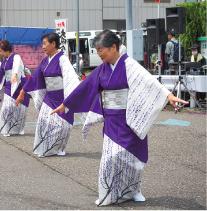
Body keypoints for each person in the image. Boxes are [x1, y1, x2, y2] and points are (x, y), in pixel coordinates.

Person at [51, 29, 188, 206]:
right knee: (109, 159)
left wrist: (168, 96)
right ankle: (108, 193)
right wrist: (66, 104)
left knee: (133, 160)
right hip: (111, 121)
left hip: (130, 119)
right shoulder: (101, 70)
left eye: (101, 49)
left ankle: (135, 191)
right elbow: (84, 87)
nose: (99, 54)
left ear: (114, 47)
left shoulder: (129, 65)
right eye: (97, 50)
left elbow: (148, 81)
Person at [15, 33, 81, 158]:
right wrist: (22, 93)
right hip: (49, 97)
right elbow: (34, 78)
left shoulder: (63, 60)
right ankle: (45, 148)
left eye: (45, 43)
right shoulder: (45, 61)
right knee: (43, 121)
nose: (43, 46)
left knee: (62, 126)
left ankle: (59, 147)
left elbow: (71, 80)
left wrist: (67, 101)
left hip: (62, 98)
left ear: (53, 44)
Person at [0, 40, 30, 137]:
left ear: (7, 49)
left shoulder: (16, 57)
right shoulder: (4, 63)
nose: (0, 53)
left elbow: (17, 65)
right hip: (9, 87)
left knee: (21, 110)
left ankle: (20, 128)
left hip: (20, 85)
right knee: (6, 108)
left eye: (1, 51)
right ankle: (6, 129)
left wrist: (14, 75)